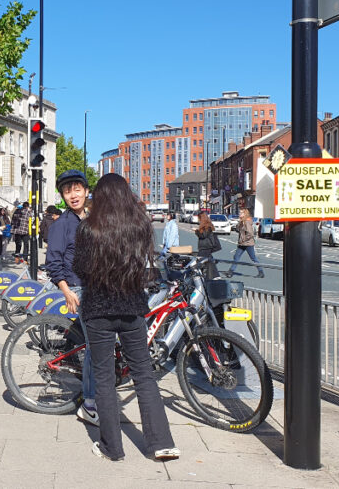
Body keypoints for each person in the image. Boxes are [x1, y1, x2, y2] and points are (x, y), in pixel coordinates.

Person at [73, 173, 179, 462]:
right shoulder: (141, 225)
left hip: (98, 310)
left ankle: (112, 448)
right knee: (144, 374)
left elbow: (80, 269)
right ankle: (161, 443)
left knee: (105, 379)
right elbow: (147, 265)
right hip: (132, 308)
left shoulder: (88, 229)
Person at [44, 170, 98, 428]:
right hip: (77, 287)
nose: (73, 195)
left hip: (96, 285)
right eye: (68, 192)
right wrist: (66, 291)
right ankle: (89, 402)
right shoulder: (61, 225)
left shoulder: (90, 219)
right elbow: (53, 263)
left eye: (77, 189)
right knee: (95, 344)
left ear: (86, 191)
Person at [225, 208, 264, 278]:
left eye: (241, 213)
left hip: (248, 244)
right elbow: (238, 229)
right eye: (239, 213)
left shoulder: (247, 222)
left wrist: (244, 239)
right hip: (242, 244)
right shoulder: (242, 221)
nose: (239, 214)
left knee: (253, 258)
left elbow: (250, 233)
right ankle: (231, 271)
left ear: (245, 214)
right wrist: (239, 223)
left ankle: (261, 272)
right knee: (236, 257)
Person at [195, 214, 221, 280]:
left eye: (199, 219)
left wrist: (196, 231)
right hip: (206, 247)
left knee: (200, 261)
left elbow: (203, 235)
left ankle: (198, 277)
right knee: (209, 261)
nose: (198, 220)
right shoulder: (207, 225)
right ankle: (215, 276)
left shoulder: (206, 227)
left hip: (205, 247)